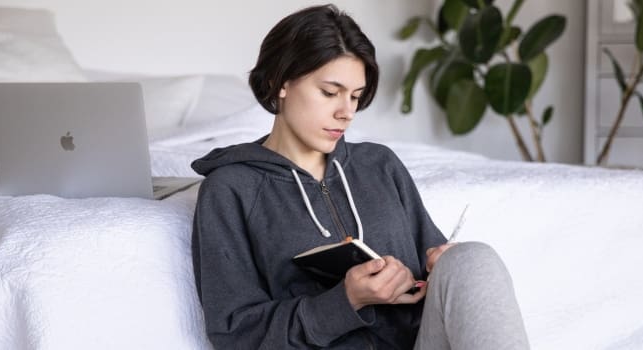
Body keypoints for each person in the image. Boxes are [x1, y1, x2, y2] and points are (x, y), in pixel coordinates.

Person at [191, 4, 529, 349]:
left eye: (355, 96)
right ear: (280, 82)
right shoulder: (231, 188)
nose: (346, 112)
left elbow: (433, 276)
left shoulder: (379, 165)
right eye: (329, 92)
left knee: (471, 258)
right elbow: (235, 335)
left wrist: (441, 267)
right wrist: (347, 301)